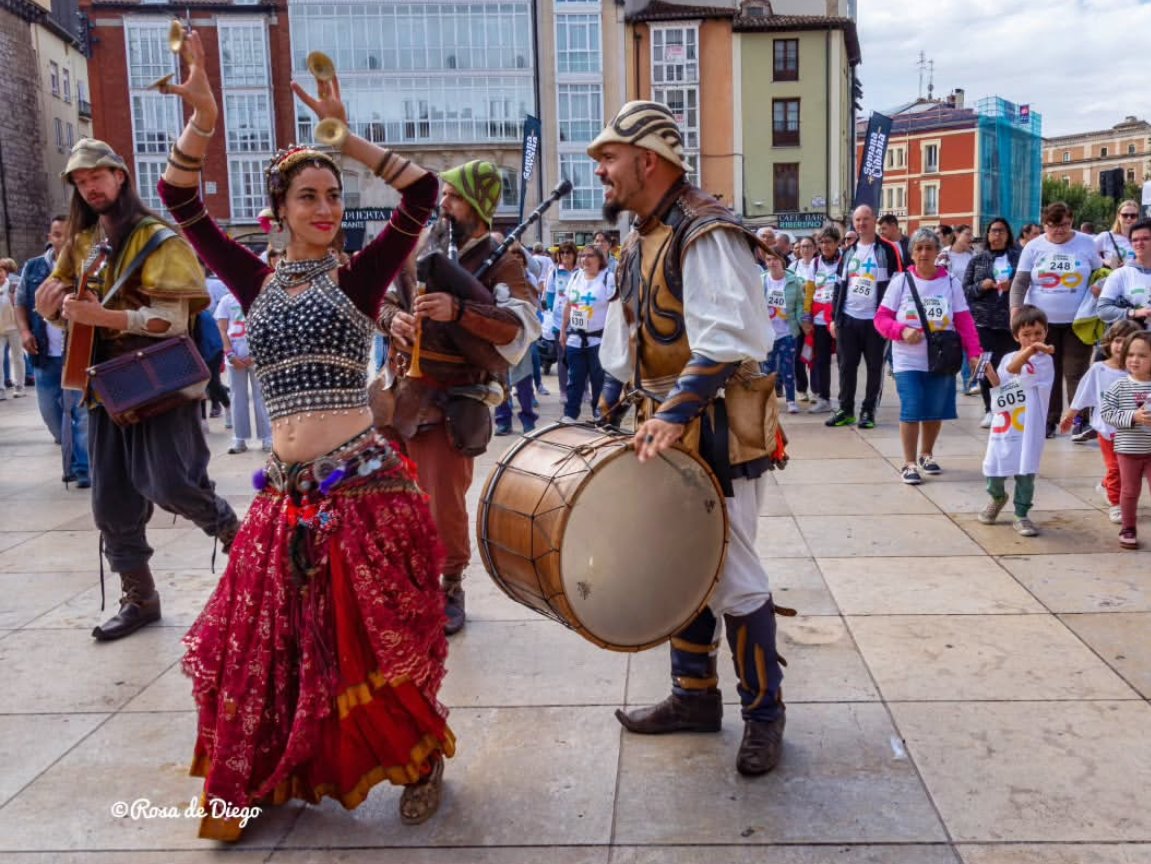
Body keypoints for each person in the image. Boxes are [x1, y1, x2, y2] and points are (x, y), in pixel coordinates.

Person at [155, 32, 453, 837]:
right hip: (283, 497)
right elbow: (178, 200)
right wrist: (203, 122)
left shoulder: (360, 274)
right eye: (308, 198)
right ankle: (269, 769)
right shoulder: (253, 277)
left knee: (376, 639)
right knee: (275, 645)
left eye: (331, 194)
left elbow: (423, 193)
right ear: (279, 212)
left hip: (359, 486)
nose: (325, 209)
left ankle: (420, 760)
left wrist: (343, 139)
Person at [590, 100, 787, 777]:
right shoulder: (638, 235)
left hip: (717, 431)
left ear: (648, 160)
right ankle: (692, 700)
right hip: (662, 429)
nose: (599, 170)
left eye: (608, 156)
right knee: (679, 567)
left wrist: (673, 413)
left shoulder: (705, 230)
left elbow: (728, 338)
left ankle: (764, 716)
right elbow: (630, 341)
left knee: (732, 574)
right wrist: (611, 401)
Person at [34, 136, 239, 642]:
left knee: (174, 483)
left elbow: (172, 321)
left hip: (157, 381)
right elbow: (63, 301)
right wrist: (49, 306)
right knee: (111, 500)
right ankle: (140, 597)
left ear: (119, 176)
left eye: (96, 178)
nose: (90, 188)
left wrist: (101, 314)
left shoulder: (161, 240)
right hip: (103, 384)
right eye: (81, 183)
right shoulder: (83, 242)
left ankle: (252, 553)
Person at [381, 159, 537, 635]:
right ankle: (406, 580)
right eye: (443, 196)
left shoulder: (505, 259)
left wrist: (460, 309)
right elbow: (384, 298)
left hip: (451, 398)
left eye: (453, 196)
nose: (443, 205)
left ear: (478, 204)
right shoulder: (418, 247)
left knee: (441, 504)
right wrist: (394, 321)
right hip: (400, 392)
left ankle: (449, 585)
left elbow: (520, 325)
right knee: (390, 498)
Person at [873, 228, 982, 484]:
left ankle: (926, 454)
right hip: (907, 358)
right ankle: (909, 463)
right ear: (912, 253)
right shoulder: (900, 282)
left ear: (937, 252)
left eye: (929, 248)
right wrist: (901, 331)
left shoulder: (951, 283)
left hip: (942, 357)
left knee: (934, 410)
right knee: (912, 407)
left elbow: (964, 320)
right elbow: (881, 319)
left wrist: (974, 352)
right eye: (919, 248)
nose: (923, 253)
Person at [1010, 201, 1102, 437]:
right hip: (1041, 324)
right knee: (1046, 370)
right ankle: (1048, 419)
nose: (1059, 231)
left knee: (1076, 371)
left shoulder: (1086, 243)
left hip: (1078, 321)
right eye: (1053, 226)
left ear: (1072, 222)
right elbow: (1020, 282)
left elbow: (1101, 273)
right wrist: (1015, 310)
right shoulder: (1034, 247)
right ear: (1044, 225)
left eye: (1065, 225)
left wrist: (1099, 286)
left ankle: (1080, 420)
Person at [15, 215, 90, 485]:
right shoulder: (34, 268)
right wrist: (24, 331)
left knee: (81, 414)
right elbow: (21, 303)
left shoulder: (88, 266)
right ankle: (69, 453)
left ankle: (83, 470)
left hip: (79, 352)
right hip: (45, 353)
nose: (63, 240)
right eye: (58, 234)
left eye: (69, 235)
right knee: (51, 412)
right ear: (50, 237)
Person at [978, 305, 1055, 536]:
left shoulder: (1044, 360)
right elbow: (1003, 382)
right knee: (995, 467)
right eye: (1026, 335)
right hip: (1006, 423)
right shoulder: (1010, 357)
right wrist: (989, 374)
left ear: (1046, 332)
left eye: (1038, 334)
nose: (1033, 339)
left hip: (1029, 424)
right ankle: (997, 496)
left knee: (1025, 471)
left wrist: (1031, 350)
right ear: (1015, 336)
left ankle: (1022, 513)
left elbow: (1017, 370)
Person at [828, 205, 903, 429]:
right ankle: (846, 409)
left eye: (866, 219)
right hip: (848, 319)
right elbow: (838, 286)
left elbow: (898, 284)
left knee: (874, 368)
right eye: (858, 220)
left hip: (876, 321)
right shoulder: (849, 252)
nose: (862, 224)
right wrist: (835, 317)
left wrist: (893, 319)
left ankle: (868, 411)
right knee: (846, 366)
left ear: (874, 221)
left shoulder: (888, 250)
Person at [1061, 320, 1141, 524]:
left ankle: (1107, 485)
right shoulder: (1099, 370)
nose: (1121, 346)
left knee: (1130, 470)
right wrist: (1071, 415)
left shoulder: (1138, 374)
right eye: (1118, 340)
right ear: (1109, 342)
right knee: (1116, 468)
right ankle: (1116, 504)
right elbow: (1082, 394)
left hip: (1133, 431)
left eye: (1127, 342)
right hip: (1107, 431)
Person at [964, 218, 1021, 428]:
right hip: (983, 322)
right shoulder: (978, 260)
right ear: (987, 235)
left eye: (1001, 231)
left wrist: (1013, 285)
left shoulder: (1018, 257)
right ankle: (990, 408)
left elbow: (1028, 281)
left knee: (1010, 367)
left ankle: (1008, 408)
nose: (997, 235)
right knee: (985, 365)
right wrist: (982, 286)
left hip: (1010, 322)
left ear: (1008, 235)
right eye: (993, 231)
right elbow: (966, 290)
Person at [1100, 330, 1151, 549]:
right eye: (1131, 355)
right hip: (1128, 449)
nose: (1135, 360)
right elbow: (1107, 413)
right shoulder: (1120, 386)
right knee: (1129, 492)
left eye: (1142, 355)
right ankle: (1128, 527)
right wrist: (1133, 417)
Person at [214, 288, 271, 453]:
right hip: (235, 358)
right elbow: (222, 329)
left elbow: (268, 327)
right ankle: (239, 439)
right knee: (238, 398)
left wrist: (257, 354)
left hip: (258, 357)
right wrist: (230, 354)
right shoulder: (226, 300)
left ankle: (267, 438)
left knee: (261, 398)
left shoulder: (261, 297)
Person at [560, 244, 611, 422]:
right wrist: (563, 332)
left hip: (598, 340)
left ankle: (599, 414)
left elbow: (616, 308)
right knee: (575, 379)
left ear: (600, 260)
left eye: (590, 256)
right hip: (575, 338)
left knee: (598, 380)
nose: (585, 260)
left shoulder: (607, 278)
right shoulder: (575, 276)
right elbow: (568, 305)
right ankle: (570, 414)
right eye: (582, 256)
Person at [762, 248, 804, 413]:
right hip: (768, 333)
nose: (772, 263)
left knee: (788, 368)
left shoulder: (793, 281)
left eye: (775, 259)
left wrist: (802, 322)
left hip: (787, 332)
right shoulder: (762, 280)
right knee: (767, 370)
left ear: (782, 261)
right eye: (768, 259)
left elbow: (800, 304)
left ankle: (791, 400)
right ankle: (766, 401)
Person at [808, 225, 842, 414]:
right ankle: (824, 398)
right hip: (820, 319)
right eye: (821, 242)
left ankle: (845, 399)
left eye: (828, 242)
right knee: (821, 360)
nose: (824, 245)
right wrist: (807, 316)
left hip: (837, 318)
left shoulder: (845, 261)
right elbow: (811, 289)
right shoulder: (815, 264)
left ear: (837, 243)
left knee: (845, 359)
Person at [1098, 218, 1151, 327]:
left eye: (1145, 239)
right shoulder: (1121, 274)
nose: (1139, 243)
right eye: (1135, 240)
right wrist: (1133, 313)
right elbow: (1103, 310)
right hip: (1134, 340)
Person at [787, 236, 817, 402]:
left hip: (815, 316)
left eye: (809, 246)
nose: (805, 249)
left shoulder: (818, 264)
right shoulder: (794, 266)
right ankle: (801, 388)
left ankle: (816, 389)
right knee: (798, 355)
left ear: (814, 248)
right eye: (803, 246)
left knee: (813, 354)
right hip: (797, 318)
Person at [0, 259, 25, 399]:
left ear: (6, 273)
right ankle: (0, 389)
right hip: (0, 329)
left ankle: (19, 386)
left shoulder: (13, 287)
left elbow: (20, 305)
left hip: (14, 327)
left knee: (17, 357)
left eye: (1, 271)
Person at [1096, 200, 1141, 269]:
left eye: (1133, 216)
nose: (1129, 218)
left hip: (1137, 277)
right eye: (1125, 215)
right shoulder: (1106, 236)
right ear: (1118, 216)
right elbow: (1088, 253)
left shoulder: (1143, 238)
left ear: (1137, 218)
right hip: (1113, 276)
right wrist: (1105, 261)